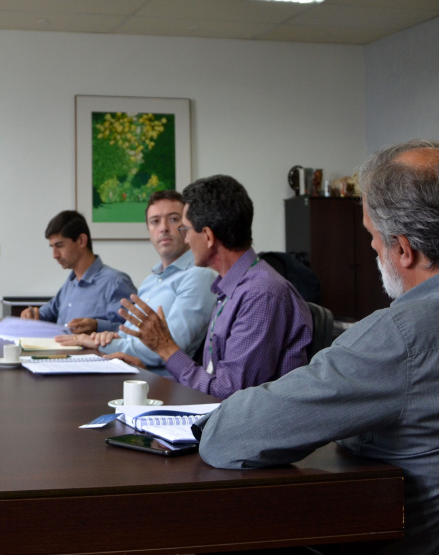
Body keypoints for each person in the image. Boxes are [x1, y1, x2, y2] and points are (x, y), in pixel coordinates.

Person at [196, 140, 439, 553]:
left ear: (402, 249)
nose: (373, 248)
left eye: (372, 236)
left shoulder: (403, 334)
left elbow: (228, 436)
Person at [110, 176, 312, 399]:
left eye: (185, 229)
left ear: (207, 236)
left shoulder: (260, 294)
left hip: (250, 428)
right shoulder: (231, 287)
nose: (185, 240)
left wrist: (166, 348)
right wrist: (151, 377)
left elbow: (230, 396)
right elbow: (214, 381)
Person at [56, 191, 217, 366]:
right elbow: (128, 336)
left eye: (173, 219)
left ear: (187, 226)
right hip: (129, 373)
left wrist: (100, 344)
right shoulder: (150, 281)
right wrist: (108, 337)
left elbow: (168, 349)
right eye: (155, 221)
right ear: (149, 230)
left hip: (163, 386)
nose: (163, 228)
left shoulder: (198, 276)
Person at [20, 210, 137, 334]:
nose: (54, 255)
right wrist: (32, 315)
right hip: (61, 350)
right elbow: (49, 312)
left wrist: (97, 326)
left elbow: (133, 330)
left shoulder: (115, 282)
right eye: (52, 247)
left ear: (81, 240)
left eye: (59, 245)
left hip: (93, 353)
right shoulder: (71, 283)